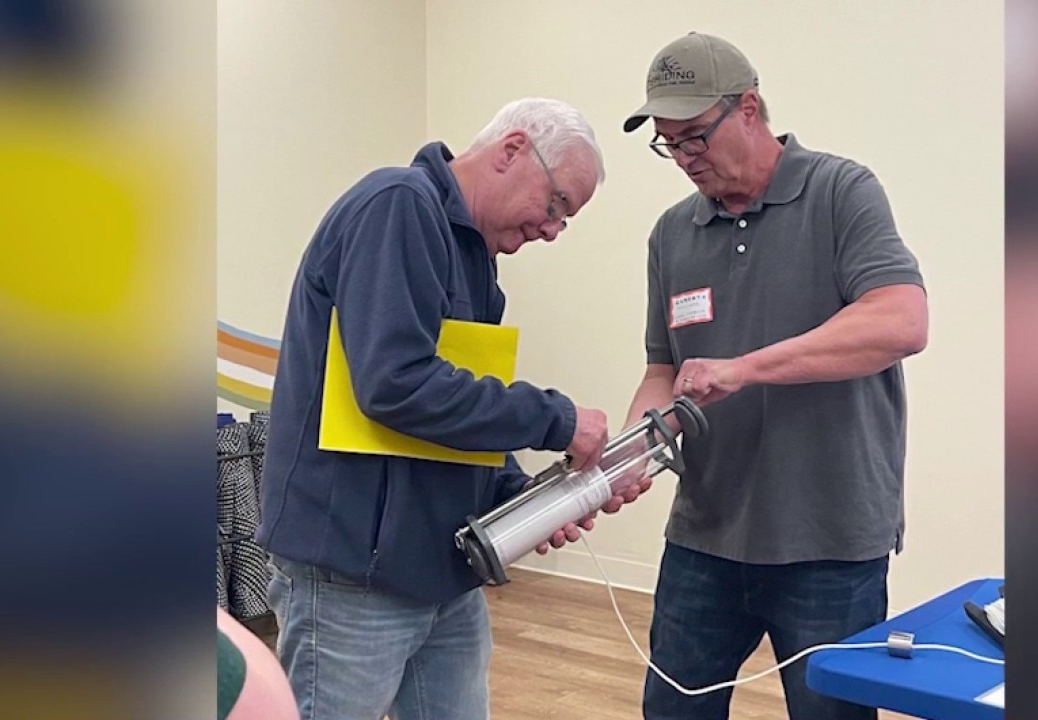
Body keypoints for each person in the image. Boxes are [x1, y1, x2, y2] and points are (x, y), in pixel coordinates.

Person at [256, 98, 636, 720]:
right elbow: (395, 384)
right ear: (512, 150)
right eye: (557, 204)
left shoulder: (478, 263)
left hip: (440, 572)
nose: (552, 230)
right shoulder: (397, 205)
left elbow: (453, 415)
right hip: (354, 575)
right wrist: (556, 419)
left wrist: (524, 497)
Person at [620, 33, 929, 720]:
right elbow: (663, 369)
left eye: (695, 137)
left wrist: (746, 369)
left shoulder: (841, 192)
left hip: (829, 541)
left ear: (750, 108)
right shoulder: (672, 232)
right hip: (705, 535)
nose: (683, 158)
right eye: (668, 143)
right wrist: (633, 451)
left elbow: (901, 322)